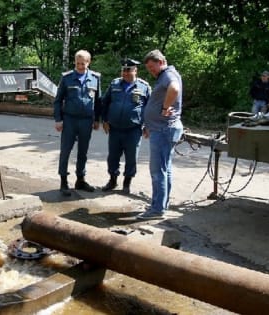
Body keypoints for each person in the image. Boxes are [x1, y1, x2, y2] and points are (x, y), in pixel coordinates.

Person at [137, 49, 183, 220]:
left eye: (152, 67)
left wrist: (165, 108)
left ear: (161, 62)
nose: (151, 70)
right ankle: (162, 204)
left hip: (164, 129)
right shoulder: (165, 75)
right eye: (148, 68)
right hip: (162, 128)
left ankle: (156, 210)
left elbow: (174, 89)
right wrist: (150, 124)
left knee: (158, 171)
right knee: (165, 169)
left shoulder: (169, 75)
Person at [53, 49, 101, 196]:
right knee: (65, 151)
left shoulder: (95, 78)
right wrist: (58, 120)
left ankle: (80, 179)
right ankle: (63, 181)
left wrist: (97, 119)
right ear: (75, 62)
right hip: (70, 120)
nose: (80, 66)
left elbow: (98, 101)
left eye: (83, 63)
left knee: (83, 152)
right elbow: (58, 100)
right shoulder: (67, 78)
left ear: (88, 62)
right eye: (77, 63)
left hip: (86, 121)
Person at [101, 58, 151, 194]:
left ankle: (127, 183)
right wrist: (104, 120)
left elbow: (149, 108)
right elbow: (105, 102)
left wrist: (148, 125)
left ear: (135, 70)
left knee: (131, 157)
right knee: (113, 156)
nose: (125, 73)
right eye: (123, 70)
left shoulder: (144, 87)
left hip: (133, 130)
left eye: (128, 70)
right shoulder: (114, 84)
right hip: (115, 128)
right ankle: (112, 180)